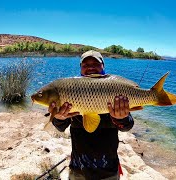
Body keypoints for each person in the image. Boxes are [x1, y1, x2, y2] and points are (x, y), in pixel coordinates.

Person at [48, 50, 138, 180]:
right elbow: (60, 127)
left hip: (108, 171)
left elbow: (126, 126)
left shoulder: (113, 88)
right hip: (78, 168)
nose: (90, 67)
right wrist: (58, 117)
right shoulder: (70, 90)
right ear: (80, 69)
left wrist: (122, 118)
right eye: (85, 65)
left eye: (95, 63)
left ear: (103, 67)